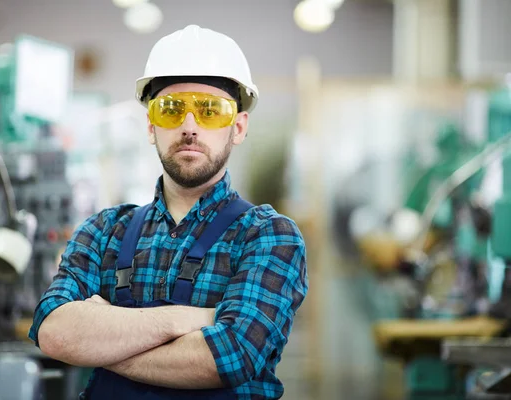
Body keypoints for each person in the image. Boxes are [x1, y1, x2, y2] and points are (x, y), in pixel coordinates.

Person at [29, 24, 308, 400]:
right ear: (151, 125)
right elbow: (54, 332)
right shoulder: (103, 231)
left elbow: (229, 357)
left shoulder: (269, 236)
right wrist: (186, 319)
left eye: (209, 111)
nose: (189, 126)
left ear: (238, 127)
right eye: (172, 109)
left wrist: (101, 341)